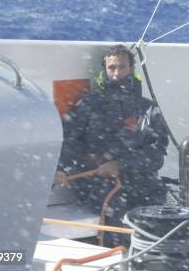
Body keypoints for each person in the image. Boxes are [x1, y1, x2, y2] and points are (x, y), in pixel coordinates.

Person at [54, 44, 172, 246]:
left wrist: (122, 164)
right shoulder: (89, 104)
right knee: (119, 207)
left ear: (131, 69)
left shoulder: (147, 109)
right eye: (112, 68)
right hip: (97, 181)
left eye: (122, 67)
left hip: (141, 181)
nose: (117, 73)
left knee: (159, 209)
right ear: (105, 70)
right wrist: (62, 168)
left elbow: (156, 155)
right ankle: (120, 258)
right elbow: (69, 139)